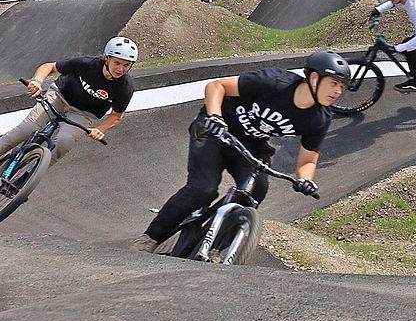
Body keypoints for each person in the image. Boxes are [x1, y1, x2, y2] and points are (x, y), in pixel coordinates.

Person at [132, 51, 349, 253]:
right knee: (203, 188)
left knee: (257, 190)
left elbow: (308, 159)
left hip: (252, 144)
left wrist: (305, 179)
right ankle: (150, 238)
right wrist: (215, 116)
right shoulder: (273, 82)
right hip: (215, 129)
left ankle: (215, 246)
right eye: (333, 84)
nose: (338, 92)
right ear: (313, 78)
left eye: (342, 86)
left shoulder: (319, 119)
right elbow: (216, 87)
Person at [0, 37, 138, 162]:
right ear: (107, 58)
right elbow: (49, 67)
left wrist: (100, 129)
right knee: (26, 129)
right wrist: (37, 81)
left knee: (63, 143)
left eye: (126, 65)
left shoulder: (125, 87)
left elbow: (116, 115)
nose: (121, 69)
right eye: (117, 63)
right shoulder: (87, 64)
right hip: (59, 96)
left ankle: (23, 179)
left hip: (83, 113)